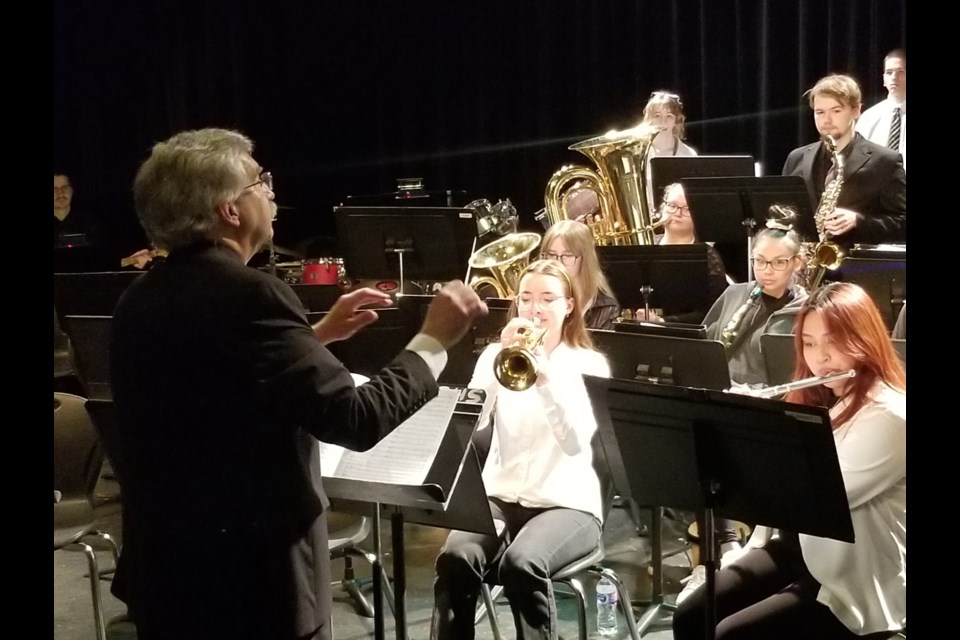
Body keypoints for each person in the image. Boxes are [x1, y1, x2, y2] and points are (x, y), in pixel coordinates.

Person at [108, 128, 488, 640]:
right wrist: (435, 340)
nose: (270, 190)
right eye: (258, 181)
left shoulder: (140, 297)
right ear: (229, 210)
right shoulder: (251, 294)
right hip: (251, 588)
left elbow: (217, 387)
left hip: (169, 577)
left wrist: (316, 337)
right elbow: (358, 418)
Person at [673, 282, 906, 640]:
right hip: (800, 548)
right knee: (693, 615)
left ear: (865, 339)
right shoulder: (822, 393)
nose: (820, 358)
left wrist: (752, 436)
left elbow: (819, 497)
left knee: (732, 635)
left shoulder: (892, 416)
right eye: (809, 344)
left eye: (833, 341)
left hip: (853, 573)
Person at [431, 259, 611, 640]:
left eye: (548, 299)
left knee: (522, 563)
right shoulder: (492, 357)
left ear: (569, 306)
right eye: (526, 298)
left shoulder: (590, 364)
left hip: (566, 503)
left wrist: (545, 381)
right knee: (455, 558)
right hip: (501, 493)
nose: (535, 309)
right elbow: (471, 423)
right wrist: (497, 363)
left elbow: (576, 442)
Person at [782, 74, 906, 247]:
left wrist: (858, 220)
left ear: (856, 110)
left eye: (836, 111)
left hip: (857, 267)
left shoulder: (886, 161)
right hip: (803, 264)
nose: (826, 120)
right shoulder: (796, 158)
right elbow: (784, 214)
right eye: (820, 112)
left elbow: (902, 223)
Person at [702, 205, 808, 386]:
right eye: (759, 261)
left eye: (779, 262)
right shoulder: (734, 293)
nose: (767, 270)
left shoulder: (806, 311)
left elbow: (794, 380)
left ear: (797, 263)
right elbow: (703, 349)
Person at [637, 182, 729, 324]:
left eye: (686, 208)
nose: (678, 213)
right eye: (672, 206)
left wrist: (663, 322)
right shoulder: (645, 247)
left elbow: (714, 312)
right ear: (662, 208)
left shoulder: (707, 257)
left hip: (687, 339)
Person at [539, 219, 620, 329]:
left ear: (585, 259)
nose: (557, 263)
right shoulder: (535, 299)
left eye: (567, 256)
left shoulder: (605, 308)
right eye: (551, 255)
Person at [856, 49, 906, 171]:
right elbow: (857, 158)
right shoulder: (869, 118)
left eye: (900, 71)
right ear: (884, 79)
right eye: (889, 72)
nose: (894, 77)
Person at [642, 90, 698, 158]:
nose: (663, 122)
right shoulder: (638, 152)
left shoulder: (689, 154)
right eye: (657, 116)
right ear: (650, 119)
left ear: (676, 120)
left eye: (669, 116)